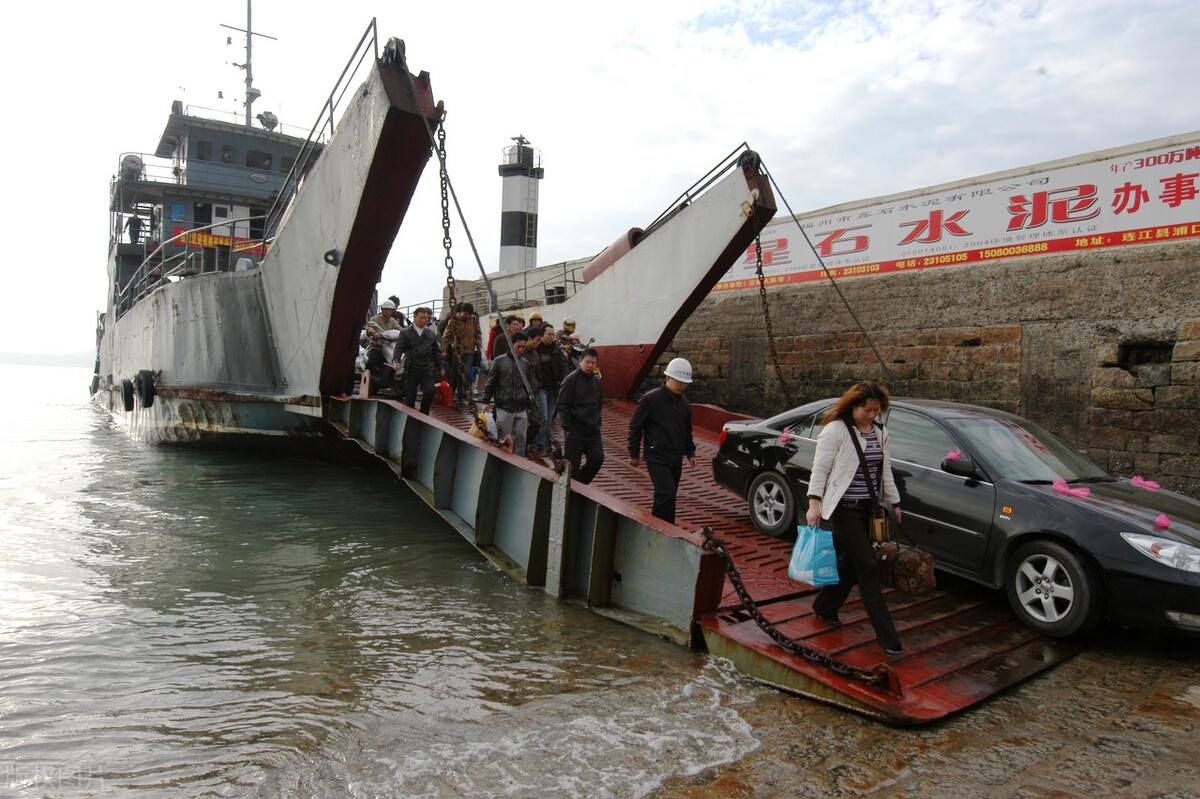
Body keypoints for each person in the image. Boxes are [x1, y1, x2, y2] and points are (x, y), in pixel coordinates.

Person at [803, 380, 905, 657]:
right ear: (853, 405)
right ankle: (889, 639)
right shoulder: (836, 430)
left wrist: (894, 502)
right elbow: (820, 469)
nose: (871, 415)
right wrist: (814, 504)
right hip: (843, 509)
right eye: (866, 410)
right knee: (868, 567)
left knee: (851, 563)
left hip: (868, 509)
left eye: (876, 410)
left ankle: (825, 607)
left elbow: (884, 472)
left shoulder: (880, 433)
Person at [627, 357, 697, 523]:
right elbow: (635, 427)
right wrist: (634, 454)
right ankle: (658, 527)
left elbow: (687, 431)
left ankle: (668, 526)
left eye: (685, 383)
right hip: (656, 456)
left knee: (670, 495)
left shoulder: (685, 405)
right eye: (678, 381)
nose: (682, 386)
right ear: (668, 378)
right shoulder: (650, 400)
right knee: (665, 492)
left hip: (675, 458)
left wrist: (690, 452)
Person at [481, 331, 538, 456]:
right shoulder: (499, 361)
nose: (521, 350)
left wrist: (529, 406)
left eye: (523, 347)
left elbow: (528, 386)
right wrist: (485, 401)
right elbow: (490, 382)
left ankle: (519, 464)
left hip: (521, 407)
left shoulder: (525, 363)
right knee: (504, 440)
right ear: (511, 345)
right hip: (504, 407)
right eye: (518, 346)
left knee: (522, 440)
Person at [557, 348, 604, 483]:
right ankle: (572, 490)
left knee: (597, 458)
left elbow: (599, 403)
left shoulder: (596, 381)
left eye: (593, 363)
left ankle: (581, 484)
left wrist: (597, 421)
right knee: (573, 465)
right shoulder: (571, 380)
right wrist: (568, 427)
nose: (590, 366)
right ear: (580, 361)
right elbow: (562, 404)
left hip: (592, 428)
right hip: (575, 428)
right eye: (587, 362)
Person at [393, 306, 444, 413]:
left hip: (427, 367)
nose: (424, 320)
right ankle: (409, 415)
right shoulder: (406, 332)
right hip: (412, 368)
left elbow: (436, 352)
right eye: (422, 318)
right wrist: (396, 360)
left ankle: (424, 412)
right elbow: (399, 348)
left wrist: (441, 367)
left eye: (426, 318)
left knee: (430, 391)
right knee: (410, 394)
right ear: (415, 317)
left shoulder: (430, 334)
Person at [528, 324, 569, 455]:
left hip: (554, 389)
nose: (552, 337)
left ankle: (543, 442)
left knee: (549, 418)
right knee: (543, 417)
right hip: (541, 389)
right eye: (549, 334)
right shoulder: (536, 350)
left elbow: (563, 368)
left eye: (553, 334)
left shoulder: (556, 350)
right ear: (542, 335)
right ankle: (540, 444)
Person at [441, 302, 481, 405]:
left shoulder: (474, 320)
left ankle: (462, 394)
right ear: (461, 312)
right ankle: (456, 395)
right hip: (457, 352)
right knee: (456, 374)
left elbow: (478, 333)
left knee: (466, 373)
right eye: (465, 313)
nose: (467, 316)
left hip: (470, 351)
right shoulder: (453, 321)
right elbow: (446, 336)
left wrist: (478, 344)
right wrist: (444, 349)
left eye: (469, 314)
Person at [364, 300, 403, 395]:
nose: (388, 312)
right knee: (372, 362)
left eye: (390, 310)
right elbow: (369, 327)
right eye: (386, 309)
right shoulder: (375, 319)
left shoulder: (393, 321)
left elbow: (400, 329)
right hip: (378, 346)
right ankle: (369, 381)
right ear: (382, 309)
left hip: (390, 346)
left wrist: (405, 333)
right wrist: (374, 333)